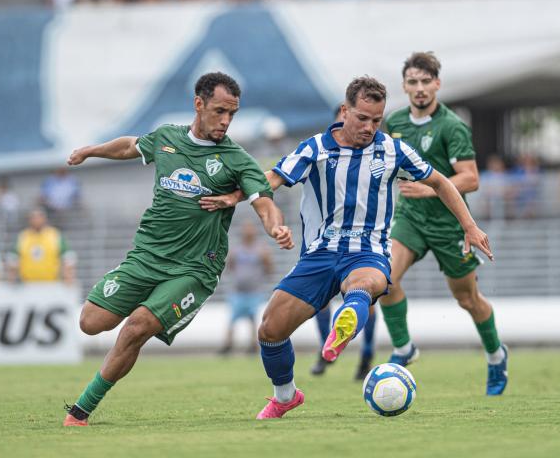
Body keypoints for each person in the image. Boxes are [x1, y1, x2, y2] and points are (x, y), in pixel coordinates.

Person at [200, 76, 493, 419]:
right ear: (344, 111)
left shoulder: (392, 150)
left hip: (368, 252)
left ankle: (348, 316)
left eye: (376, 120)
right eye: (362, 118)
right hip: (319, 254)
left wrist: (470, 226)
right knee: (270, 328)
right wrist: (235, 196)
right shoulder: (315, 148)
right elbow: (274, 178)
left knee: (364, 284)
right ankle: (285, 396)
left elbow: (441, 181)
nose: (369, 127)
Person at [62, 72, 293, 427]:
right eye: (219, 111)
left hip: (194, 270)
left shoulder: (235, 159)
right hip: (147, 257)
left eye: (232, 114)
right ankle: (133, 314)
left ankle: (81, 411)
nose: (226, 121)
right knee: (91, 323)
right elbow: (131, 146)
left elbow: (262, 199)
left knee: (136, 326)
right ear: (198, 104)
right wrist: (91, 151)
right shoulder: (167, 138)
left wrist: (274, 225)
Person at [381, 51, 507, 396]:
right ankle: (404, 347)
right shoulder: (395, 122)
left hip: (450, 224)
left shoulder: (452, 126)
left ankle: (496, 355)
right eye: (413, 82)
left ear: (437, 84)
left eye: (425, 81)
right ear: (404, 86)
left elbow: (471, 178)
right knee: (383, 279)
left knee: (467, 300)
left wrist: (426, 189)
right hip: (409, 218)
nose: (419, 88)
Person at [309, 104, 378, 381]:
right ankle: (328, 346)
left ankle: (366, 354)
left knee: (365, 296)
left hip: (363, 242)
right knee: (320, 301)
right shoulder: (321, 151)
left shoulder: (377, 153)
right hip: (324, 239)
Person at [219, 220, 272, 354]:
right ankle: (228, 345)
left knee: (253, 319)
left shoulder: (261, 249)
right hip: (238, 291)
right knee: (232, 319)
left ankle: (253, 345)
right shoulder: (237, 249)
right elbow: (230, 266)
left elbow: (269, 268)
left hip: (254, 291)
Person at [7, 209, 76, 284]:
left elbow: (68, 257)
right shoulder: (23, 237)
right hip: (28, 285)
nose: (36, 220)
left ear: (44, 219)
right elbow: (13, 259)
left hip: (51, 284)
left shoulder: (54, 235)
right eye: (34, 218)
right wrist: (11, 278)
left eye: (39, 217)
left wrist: (68, 276)